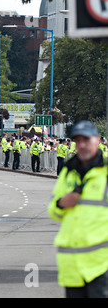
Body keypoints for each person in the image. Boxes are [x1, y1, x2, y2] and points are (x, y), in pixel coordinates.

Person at [48, 121, 108, 298]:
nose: (82, 145)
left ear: (97, 141)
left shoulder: (105, 174)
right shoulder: (68, 172)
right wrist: (61, 204)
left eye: (86, 140)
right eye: (77, 140)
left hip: (100, 265)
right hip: (72, 267)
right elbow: (53, 210)